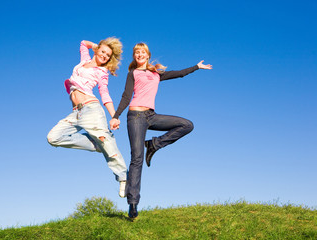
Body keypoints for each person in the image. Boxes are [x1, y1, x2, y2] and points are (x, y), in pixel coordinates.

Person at [109, 43, 212, 218]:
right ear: (135, 57)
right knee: (137, 159)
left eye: (142, 52)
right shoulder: (132, 73)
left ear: (148, 55)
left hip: (151, 116)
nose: (140, 54)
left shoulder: (156, 73)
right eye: (137, 53)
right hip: (135, 116)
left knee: (187, 125)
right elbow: (126, 96)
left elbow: (178, 74)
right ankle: (133, 204)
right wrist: (116, 115)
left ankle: (154, 144)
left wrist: (196, 67)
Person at [47, 38, 128, 198]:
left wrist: (115, 116)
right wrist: (97, 46)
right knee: (53, 138)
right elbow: (83, 43)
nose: (104, 56)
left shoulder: (102, 72)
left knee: (107, 142)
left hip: (91, 110)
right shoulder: (84, 60)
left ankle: (123, 177)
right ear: (97, 50)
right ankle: (97, 144)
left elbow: (105, 94)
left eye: (108, 55)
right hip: (76, 112)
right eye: (103, 52)